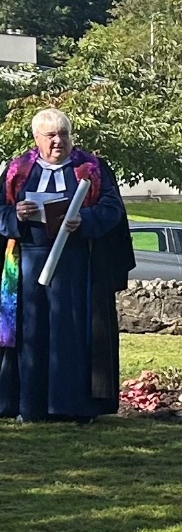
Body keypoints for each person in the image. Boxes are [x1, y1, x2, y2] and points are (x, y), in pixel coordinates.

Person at [0, 108, 135, 421]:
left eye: (64, 134)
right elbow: (1, 211)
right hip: (27, 265)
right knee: (31, 332)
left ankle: (73, 407)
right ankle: (29, 407)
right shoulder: (18, 170)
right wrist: (15, 215)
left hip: (77, 265)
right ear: (37, 139)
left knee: (72, 332)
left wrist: (84, 219)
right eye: (51, 136)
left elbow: (112, 209)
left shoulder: (92, 169)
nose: (58, 141)